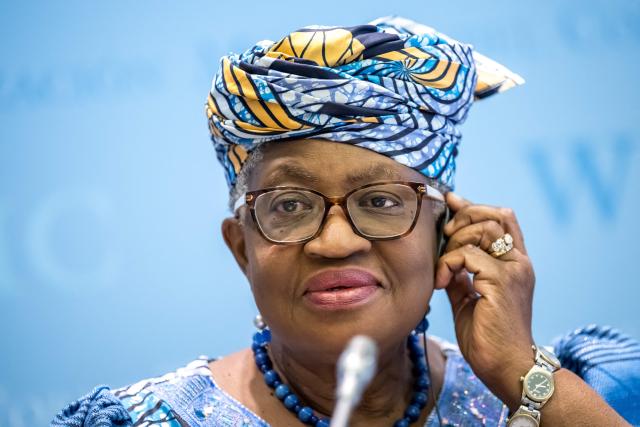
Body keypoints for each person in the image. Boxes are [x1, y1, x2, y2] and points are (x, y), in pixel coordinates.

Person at [52, 16, 640, 427]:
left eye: (381, 202)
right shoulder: (137, 422)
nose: (335, 242)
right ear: (241, 249)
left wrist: (518, 372)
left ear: (445, 232)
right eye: (289, 206)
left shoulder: (576, 398)